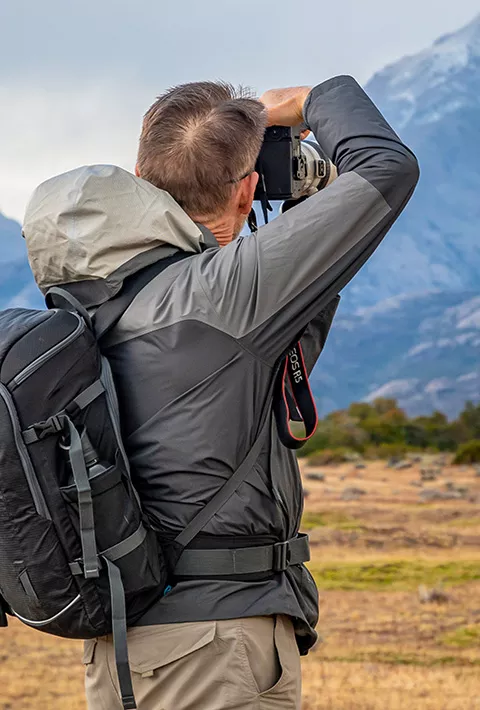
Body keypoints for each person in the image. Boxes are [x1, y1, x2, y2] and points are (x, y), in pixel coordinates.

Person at [23, 76, 419, 710]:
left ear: (142, 180)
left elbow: (268, 374)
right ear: (247, 190)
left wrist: (301, 224)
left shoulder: (92, 307)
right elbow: (387, 167)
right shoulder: (221, 295)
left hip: (126, 649)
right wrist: (317, 98)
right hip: (214, 650)